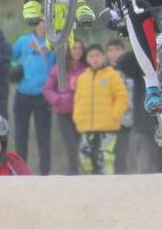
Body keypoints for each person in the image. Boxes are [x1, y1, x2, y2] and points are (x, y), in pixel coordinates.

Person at [117, 51, 162, 174]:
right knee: (145, 167)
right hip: (145, 126)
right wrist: (143, 44)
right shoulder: (142, 64)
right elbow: (122, 63)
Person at [72, 44, 128, 174]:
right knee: (85, 158)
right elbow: (78, 99)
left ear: (103, 57)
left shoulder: (112, 75)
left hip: (107, 128)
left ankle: (107, 187)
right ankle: (90, 188)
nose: (94, 59)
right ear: (87, 59)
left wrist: (114, 116)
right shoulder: (83, 78)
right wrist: (77, 117)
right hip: (86, 127)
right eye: (91, 56)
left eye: (97, 55)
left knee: (105, 158)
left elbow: (122, 97)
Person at [10, 20, 55, 175]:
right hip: (22, 93)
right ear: (35, 25)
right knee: (20, 135)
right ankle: (21, 170)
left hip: (42, 95)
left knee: (43, 136)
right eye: (40, 23)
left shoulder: (53, 44)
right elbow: (10, 58)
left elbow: (57, 67)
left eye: (46, 23)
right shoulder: (23, 41)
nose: (42, 26)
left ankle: (45, 172)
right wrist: (16, 68)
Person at [43, 39, 88, 174]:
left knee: (82, 145)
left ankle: (86, 172)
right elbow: (47, 90)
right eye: (74, 48)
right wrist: (58, 100)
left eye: (80, 48)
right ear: (68, 50)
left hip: (82, 112)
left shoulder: (86, 68)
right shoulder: (59, 68)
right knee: (71, 145)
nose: (77, 51)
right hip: (64, 112)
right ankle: (73, 173)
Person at [107, 38, 133, 174]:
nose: (114, 53)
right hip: (105, 121)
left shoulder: (130, 70)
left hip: (126, 120)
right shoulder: (103, 71)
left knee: (121, 153)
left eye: (117, 49)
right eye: (110, 50)